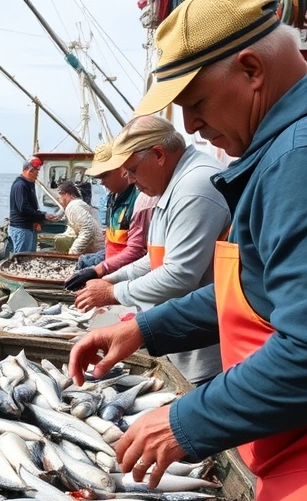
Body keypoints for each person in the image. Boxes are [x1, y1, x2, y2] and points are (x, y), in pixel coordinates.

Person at [70, 2, 307, 501]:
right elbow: (251, 287)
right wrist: (145, 327)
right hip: (295, 442)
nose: (190, 125)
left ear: (251, 70)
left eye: (194, 103)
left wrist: (185, 421)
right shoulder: (294, 142)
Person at [73, 115, 229, 385]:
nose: (131, 180)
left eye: (132, 169)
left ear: (158, 155)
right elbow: (155, 258)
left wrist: (113, 293)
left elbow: (179, 273)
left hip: (205, 354)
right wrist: (110, 278)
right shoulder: (170, 186)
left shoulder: (194, 186)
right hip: (176, 341)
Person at [65, 142, 159, 289]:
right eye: (99, 177)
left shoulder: (140, 199)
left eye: (105, 175)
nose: (102, 182)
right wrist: (99, 260)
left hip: (131, 281)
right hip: (112, 275)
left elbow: (137, 251)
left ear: (122, 169)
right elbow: (112, 242)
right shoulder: (112, 198)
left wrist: (99, 269)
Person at [8, 157, 60, 253]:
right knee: (21, 257)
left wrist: (37, 219)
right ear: (29, 170)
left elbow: (30, 207)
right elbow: (23, 208)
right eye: (36, 171)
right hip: (21, 228)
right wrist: (43, 216)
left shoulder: (28, 184)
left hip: (28, 227)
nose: (37, 174)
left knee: (29, 255)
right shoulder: (20, 185)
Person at [53, 180, 104, 255]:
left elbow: (88, 229)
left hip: (95, 251)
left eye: (60, 197)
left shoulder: (74, 207)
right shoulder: (75, 205)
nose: (59, 200)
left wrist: (73, 252)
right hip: (95, 249)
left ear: (67, 194)